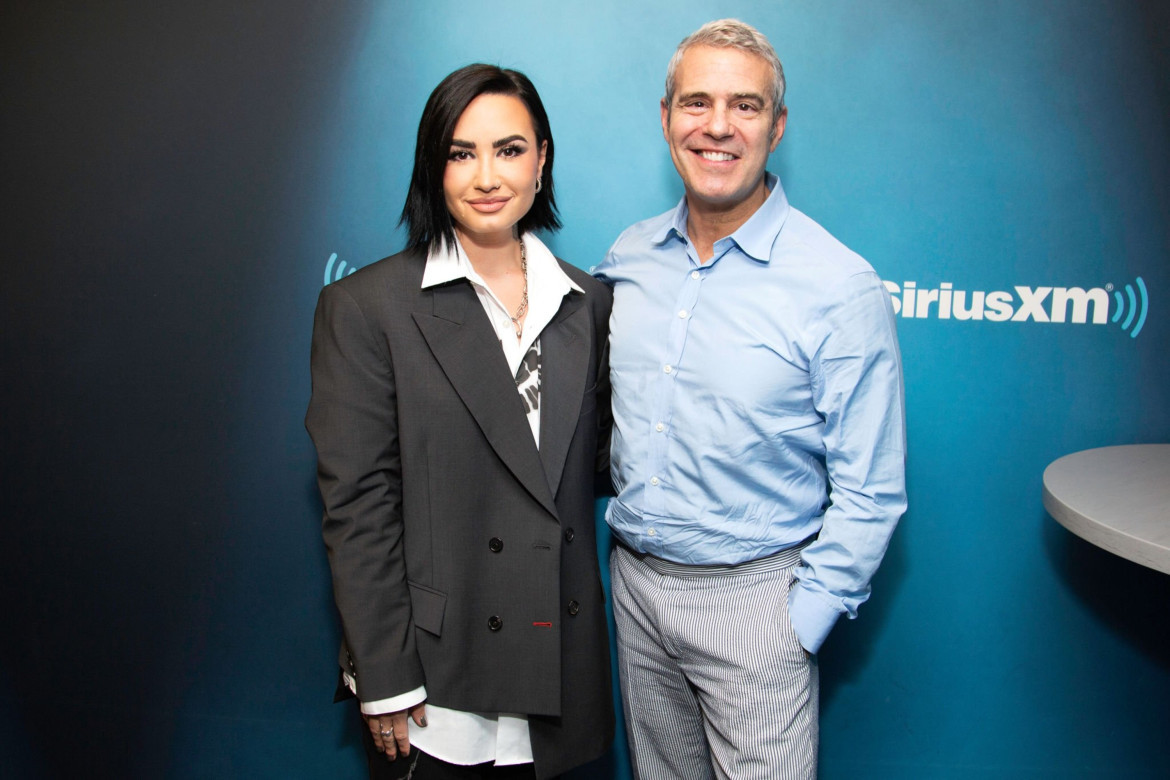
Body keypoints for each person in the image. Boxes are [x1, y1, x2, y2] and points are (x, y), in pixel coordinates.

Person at [593, 19, 907, 780]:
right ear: (666, 117)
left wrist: (797, 624)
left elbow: (872, 488)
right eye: (696, 102)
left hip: (758, 601)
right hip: (635, 586)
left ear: (777, 124)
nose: (718, 126)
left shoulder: (838, 285)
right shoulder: (627, 258)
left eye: (746, 105)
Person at [306, 64, 614, 780]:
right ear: (432, 166)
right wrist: (381, 671)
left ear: (543, 160)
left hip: (560, 673)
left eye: (509, 149)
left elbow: (590, 474)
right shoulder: (367, 307)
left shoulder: (588, 303)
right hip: (434, 687)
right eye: (460, 152)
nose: (486, 176)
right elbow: (358, 508)